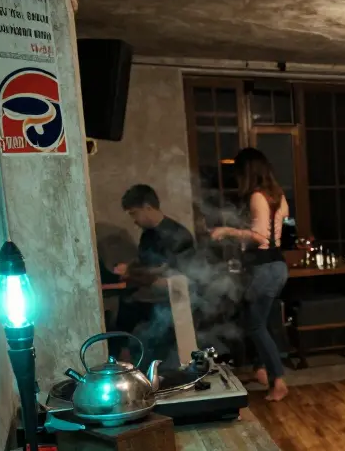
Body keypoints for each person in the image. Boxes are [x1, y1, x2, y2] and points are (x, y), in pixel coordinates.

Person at [211, 148, 291, 402]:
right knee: (261, 323)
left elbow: (259, 237)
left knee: (255, 325)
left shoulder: (257, 196)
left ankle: (277, 380)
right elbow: (283, 219)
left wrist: (228, 231)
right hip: (276, 265)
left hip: (265, 267)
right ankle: (264, 372)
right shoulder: (277, 195)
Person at [111, 184, 196, 361]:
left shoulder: (178, 236)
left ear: (147, 207)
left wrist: (134, 273)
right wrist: (130, 267)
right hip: (149, 299)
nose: (133, 220)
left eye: (134, 213)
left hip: (169, 304)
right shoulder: (147, 235)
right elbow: (146, 263)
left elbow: (176, 279)